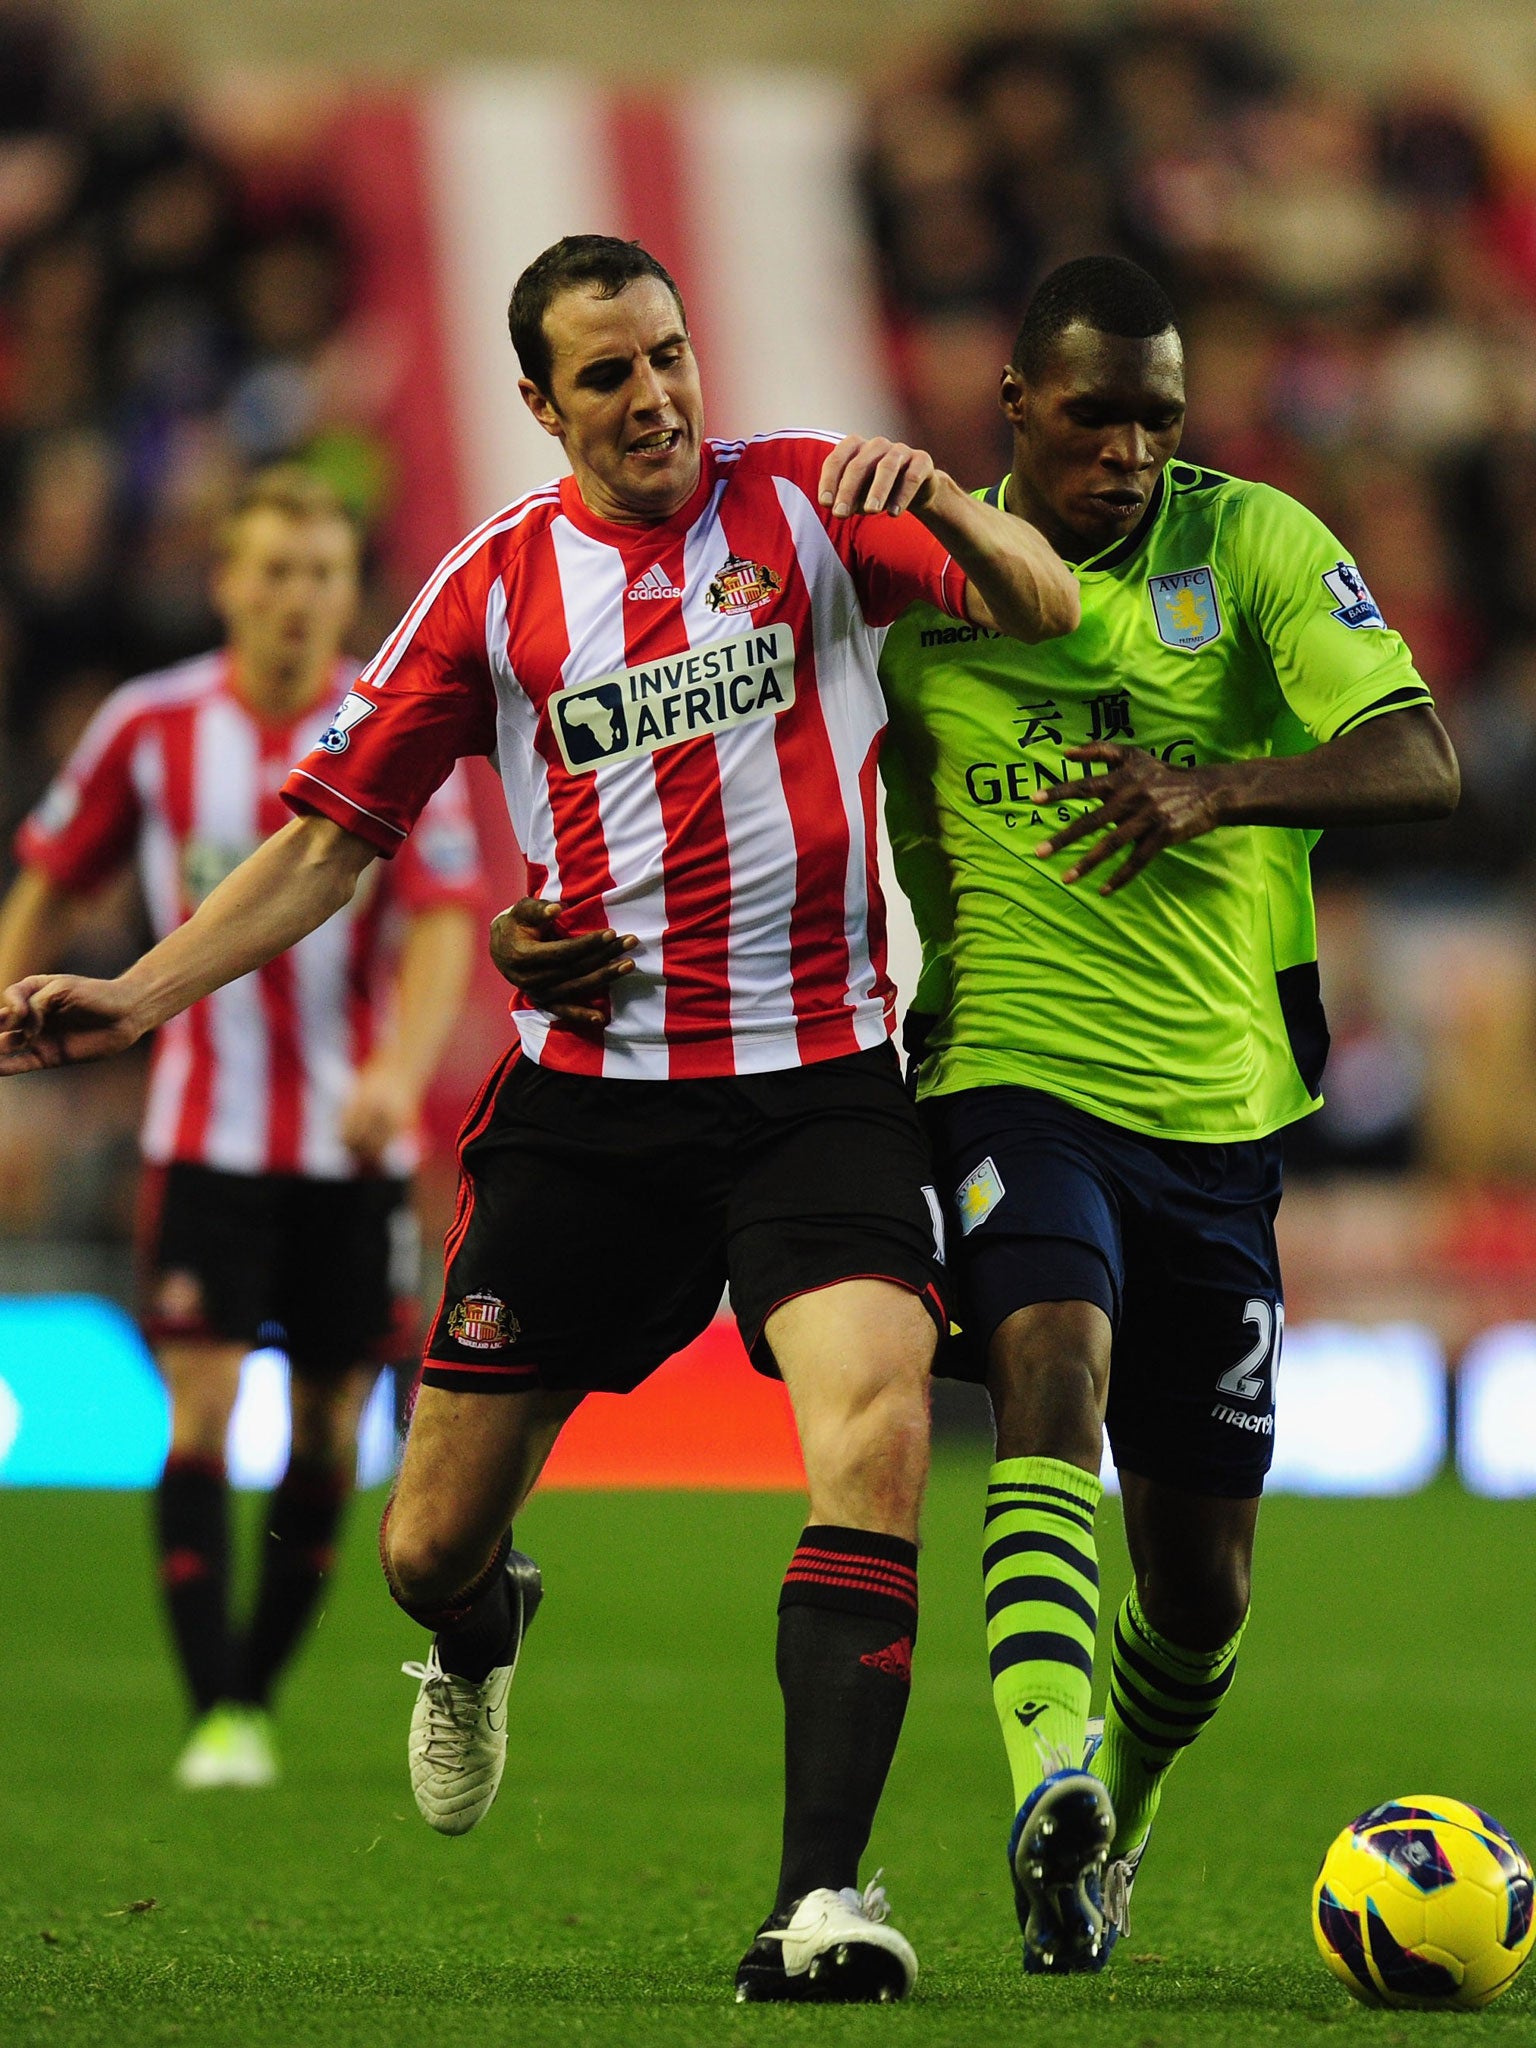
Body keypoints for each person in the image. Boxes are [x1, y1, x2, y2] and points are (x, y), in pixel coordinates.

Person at [0, 235, 1080, 2001]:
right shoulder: (492, 591)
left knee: (875, 1428)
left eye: (668, 355)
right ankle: (485, 1628)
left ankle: (822, 1900)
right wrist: (138, 993)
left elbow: (1046, 602)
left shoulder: (814, 505)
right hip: (594, 1114)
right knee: (424, 1545)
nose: (653, 396)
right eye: (607, 374)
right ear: (537, 402)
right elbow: (325, 846)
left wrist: (958, 513)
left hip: (818, 1083)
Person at [872, 255, 1459, 1974]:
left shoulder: (1256, 544)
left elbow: (1421, 757)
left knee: (1201, 1587)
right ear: (1013, 409)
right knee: (1052, 1362)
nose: (1129, 449)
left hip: (1216, 1116)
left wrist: (1220, 787)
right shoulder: (915, 590)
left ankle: (1112, 1813)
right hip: (1005, 1071)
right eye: (1094, 415)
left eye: (1157, 418)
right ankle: (1045, 1776)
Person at [0, 466, 483, 1789]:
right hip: (203, 1135)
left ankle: (254, 1692)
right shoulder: (148, 727)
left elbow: (445, 917)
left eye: (321, 575)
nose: (295, 600)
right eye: (272, 571)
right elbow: (52, 877)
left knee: (330, 1430)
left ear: (348, 593)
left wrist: (396, 1068)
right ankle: (215, 1705)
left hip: (352, 1144)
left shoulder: (394, 727)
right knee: (201, 1409)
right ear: (226, 582)